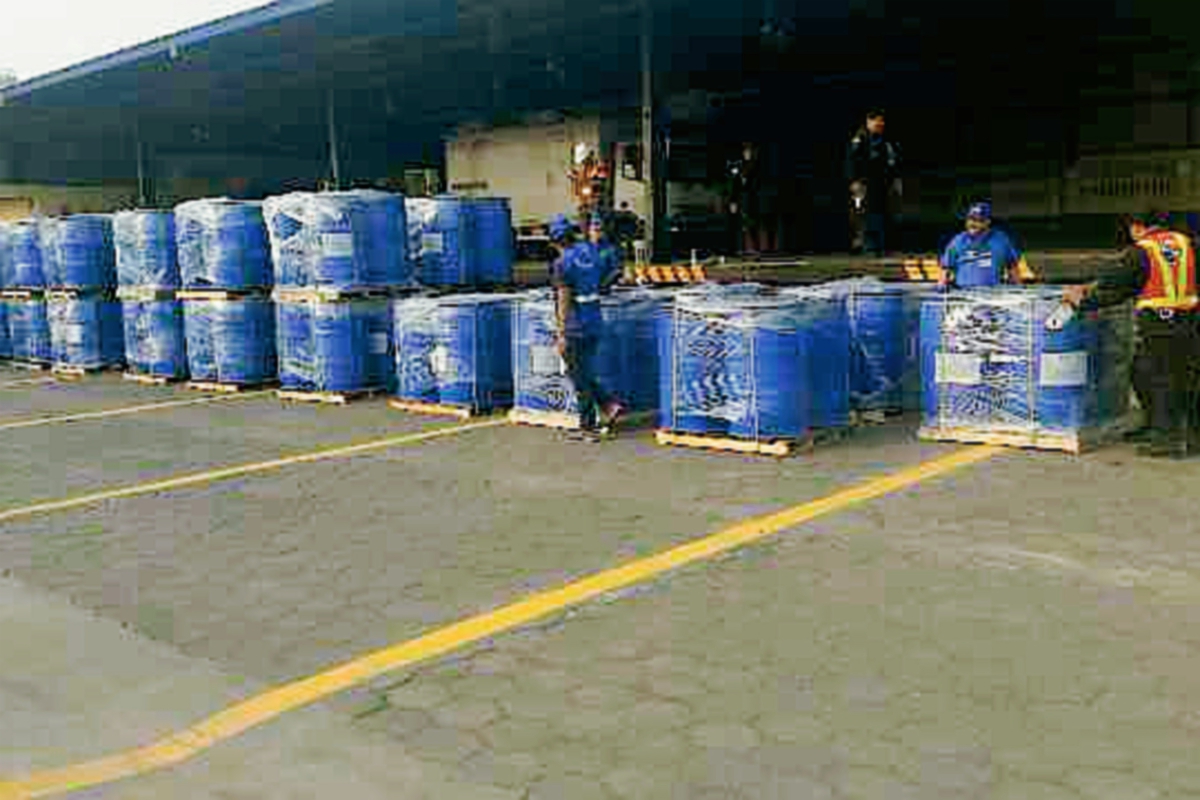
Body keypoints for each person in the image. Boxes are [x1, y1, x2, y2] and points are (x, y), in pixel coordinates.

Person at [1062, 212, 1200, 458]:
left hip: (1159, 323)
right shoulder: (1185, 242)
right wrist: (1093, 285)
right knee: (1176, 376)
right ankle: (1175, 431)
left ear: (1137, 227)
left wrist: (1081, 302)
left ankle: (1167, 439)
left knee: (1159, 380)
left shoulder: (1141, 250)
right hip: (1188, 322)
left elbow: (1118, 287)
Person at [552, 213, 624, 440]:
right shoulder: (590, 252)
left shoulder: (562, 263)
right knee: (583, 370)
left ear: (555, 241)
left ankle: (589, 425)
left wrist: (561, 333)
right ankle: (608, 405)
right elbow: (609, 275)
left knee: (578, 376)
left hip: (576, 324)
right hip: (594, 318)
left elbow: (563, 299)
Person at [939, 202, 1038, 288]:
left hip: (991, 296)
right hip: (964, 296)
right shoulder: (958, 240)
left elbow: (1012, 267)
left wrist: (1018, 290)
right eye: (970, 219)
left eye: (978, 220)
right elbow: (945, 270)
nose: (973, 224)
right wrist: (942, 288)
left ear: (987, 222)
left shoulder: (1001, 239)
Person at [846, 109, 902, 256]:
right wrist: (854, 181)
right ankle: (865, 246)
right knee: (863, 214)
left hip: (881, 183)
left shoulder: (885, 139)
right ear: (869, 122)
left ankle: (880, 246)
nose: (880, 124)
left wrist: (895, 180)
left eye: (881, 121)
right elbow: (852, 161)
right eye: (876, 121)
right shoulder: (860, 138)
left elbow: (892, 162)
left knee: (881, 213)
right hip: (863, 183)